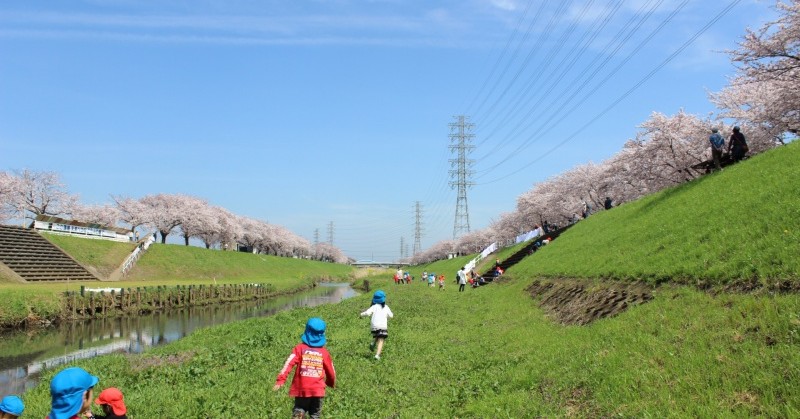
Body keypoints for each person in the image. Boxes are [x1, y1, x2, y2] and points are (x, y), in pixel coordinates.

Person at [273, 317, 336, 419]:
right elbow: (331, 371)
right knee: (315, 415)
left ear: (306, 331)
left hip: (302, 388)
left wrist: (281, 380)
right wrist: (330, 382)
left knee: (300, 408)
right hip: (317, 390)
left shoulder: (299, 349)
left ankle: (299, 414)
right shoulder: (324, 353)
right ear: (322, 334)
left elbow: (288, 363)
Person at [360, 291, 394, 360]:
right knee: (381, 340)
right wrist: (387, 316)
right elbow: (391, 316)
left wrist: (361, 314)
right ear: (384, 299)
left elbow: (367, 313)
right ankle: (377, 355)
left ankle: (373, 343)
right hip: (382, 326)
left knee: (378, 334)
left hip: (374, 326)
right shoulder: (386, 307)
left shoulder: (374, 306)